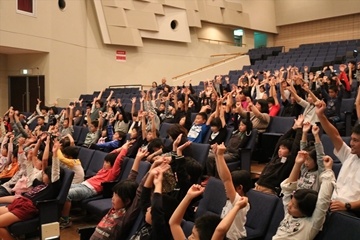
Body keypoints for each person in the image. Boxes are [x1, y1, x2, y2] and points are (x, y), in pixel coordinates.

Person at [0, 139, 64, 240]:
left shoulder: (52, 187)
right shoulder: (40, 184)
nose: (43, 174)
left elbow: (55, 171)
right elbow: (30, 176)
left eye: (45, 174)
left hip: (27, 208)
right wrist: (29, 161)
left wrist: (55, 154)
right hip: (19, 202)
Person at [60, 141, 132, 228]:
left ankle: (65, 220)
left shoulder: (112, 172)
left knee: (67, 194)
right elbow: (111, 154)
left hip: (90, 189)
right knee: (62, 188)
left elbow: (118, 159)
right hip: (84, 184)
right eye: (104, 161)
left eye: (107, 162)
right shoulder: (104, 169)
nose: (104, 164)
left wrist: (125, 148)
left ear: (112, 164)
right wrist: (120, 148)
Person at [272, 152, 335, 240]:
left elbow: (323, 200)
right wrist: (297, 164)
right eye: (291, 202)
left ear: (304, 211)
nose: (289, 206)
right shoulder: (289, 214)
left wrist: (328, 170)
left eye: (294, 206)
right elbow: (288, 190)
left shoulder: (312, 223)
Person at [90, 148, 149, 240]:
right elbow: (130, 179)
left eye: (116, 196)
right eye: (113, 195)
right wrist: (137, 159)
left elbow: (140, 192)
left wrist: (152, 171)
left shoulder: (127, 214)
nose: (112, 199)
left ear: (127, 200)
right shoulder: (115, 208)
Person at [316, 100, 360, 216]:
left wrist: (347, 206)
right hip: (332, 203)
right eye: (351, 139)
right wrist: (321, 115)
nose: (351, 143)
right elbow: (334, 134)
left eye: (355, 140)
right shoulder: (349, 154)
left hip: (350, 210)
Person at [255, 115, 304, 195]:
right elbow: (280, 140)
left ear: (290, 152)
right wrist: (293, 128)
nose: (280, 150)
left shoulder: (289, 161)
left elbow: (296, 145)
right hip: (258, 185)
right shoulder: (276, 157)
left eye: (283, 148)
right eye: (280, 148)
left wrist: (299, 128)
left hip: (269, 190)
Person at [129, 163, 179, 240]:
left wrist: (158, 184)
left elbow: (156, 209)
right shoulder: (148, 223)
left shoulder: (160, 233)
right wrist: (151, 175)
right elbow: (144, 197)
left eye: (151, 208)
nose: (148, 208)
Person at [214, 143, 251, 240]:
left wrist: (221, 156)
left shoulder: (240, 201)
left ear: (239, 188)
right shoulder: (231, 199)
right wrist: (216, 155)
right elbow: (224, 179)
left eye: (230, 186)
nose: (226, 188)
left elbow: (227, 180)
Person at [205, 112, 252, 179]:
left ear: (247, 127)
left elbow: (249, 127)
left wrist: (247, 113)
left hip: (233, 154)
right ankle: (209, 175)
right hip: (226, 151)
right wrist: (236, 113)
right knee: (207, 154)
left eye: (243, 125)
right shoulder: (236, 132)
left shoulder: (246, 135)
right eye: (240, 125)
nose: (240, 126)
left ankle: (211, 177)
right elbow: (235, 122)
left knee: (211, 157)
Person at [298, 123, 325, 191]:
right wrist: (304, 132)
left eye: (308, 160)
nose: (305, 162)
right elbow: (302, 150)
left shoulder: (320, 172)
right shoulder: (304, 169)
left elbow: (320, 155)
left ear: (315, 160)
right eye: (305, 160)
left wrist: (316, 135)